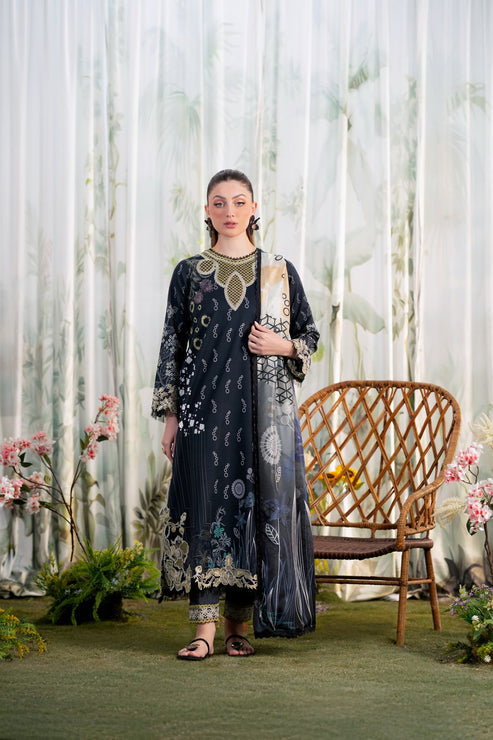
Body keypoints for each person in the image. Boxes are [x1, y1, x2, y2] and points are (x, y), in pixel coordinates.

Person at [151, 169, 319, 660]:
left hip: (261, 419)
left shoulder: (278, 272)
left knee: (250, 514)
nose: (229, 211)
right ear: (207, 210)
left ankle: (237, 627)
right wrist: (171, 417)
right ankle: (203, 630)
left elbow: (309, 335)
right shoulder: (189, 272)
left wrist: (281, 345)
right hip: (202, 415)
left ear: (253, 208)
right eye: (219, 202)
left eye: (239, 201)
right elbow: (172, 346)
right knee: (206, 509)